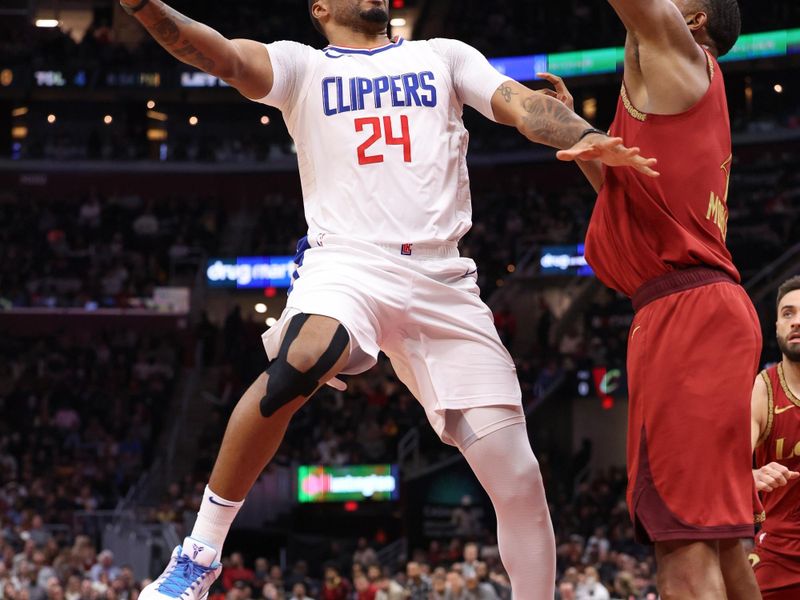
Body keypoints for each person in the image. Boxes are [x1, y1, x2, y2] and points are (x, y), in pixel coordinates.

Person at [121, 1, 656, 599]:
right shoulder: (301, 68)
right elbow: (214, 51)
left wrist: (584, 134)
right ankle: (200, 554)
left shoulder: (443, 55)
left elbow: (521, 104)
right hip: (348, 261)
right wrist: (145, 6)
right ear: (320, 8)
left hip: (444, 279)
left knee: (519, 478)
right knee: (306, 352)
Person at [556, 0, 762, 597]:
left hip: (686, 314)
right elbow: (630, 197)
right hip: (703, 307)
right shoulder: (669, 99)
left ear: (693, 20)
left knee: (682, 544)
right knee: (721, 542)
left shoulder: (681, 56)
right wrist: (575, 131)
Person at [749, 276, 800, 599]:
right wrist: (750, 475)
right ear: (777, 326)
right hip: (779, 552)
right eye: (787, 313)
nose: (796, 322)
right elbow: (728, 467)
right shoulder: (763, 389)